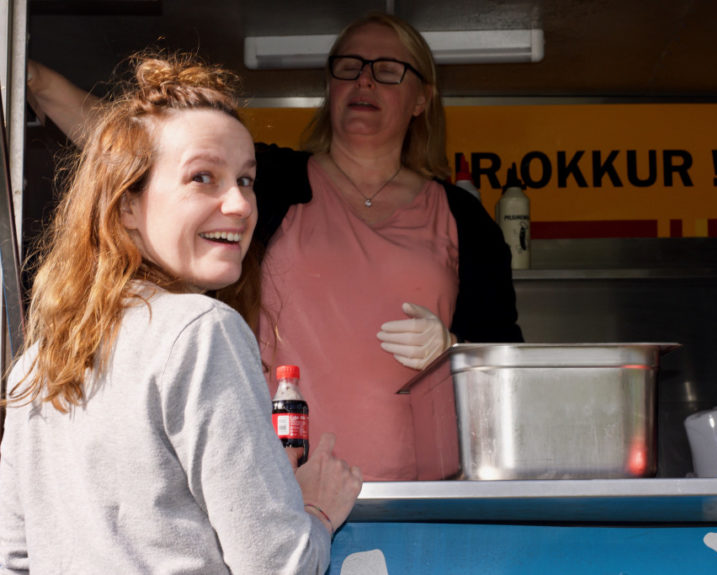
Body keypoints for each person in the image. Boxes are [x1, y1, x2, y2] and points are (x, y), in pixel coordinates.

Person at [25, 12, 523, 481]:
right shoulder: (268, 181)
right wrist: (36, 81)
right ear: (329, 86)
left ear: (421, 98)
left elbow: (509, 371)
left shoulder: (462, 218)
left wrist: (456, 350)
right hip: (279, 487)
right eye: (349, 67)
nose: (364, 81)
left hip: (423, 494)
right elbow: (138, 152)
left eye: (387, 70)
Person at [0, 51, 361, 574]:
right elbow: (277, 565)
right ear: (127, 204)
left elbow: (14, 559)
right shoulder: (201, 332)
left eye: (245, 180)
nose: (240, 205)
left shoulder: (37, 363)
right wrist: (317, 510)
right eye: (202, 178)